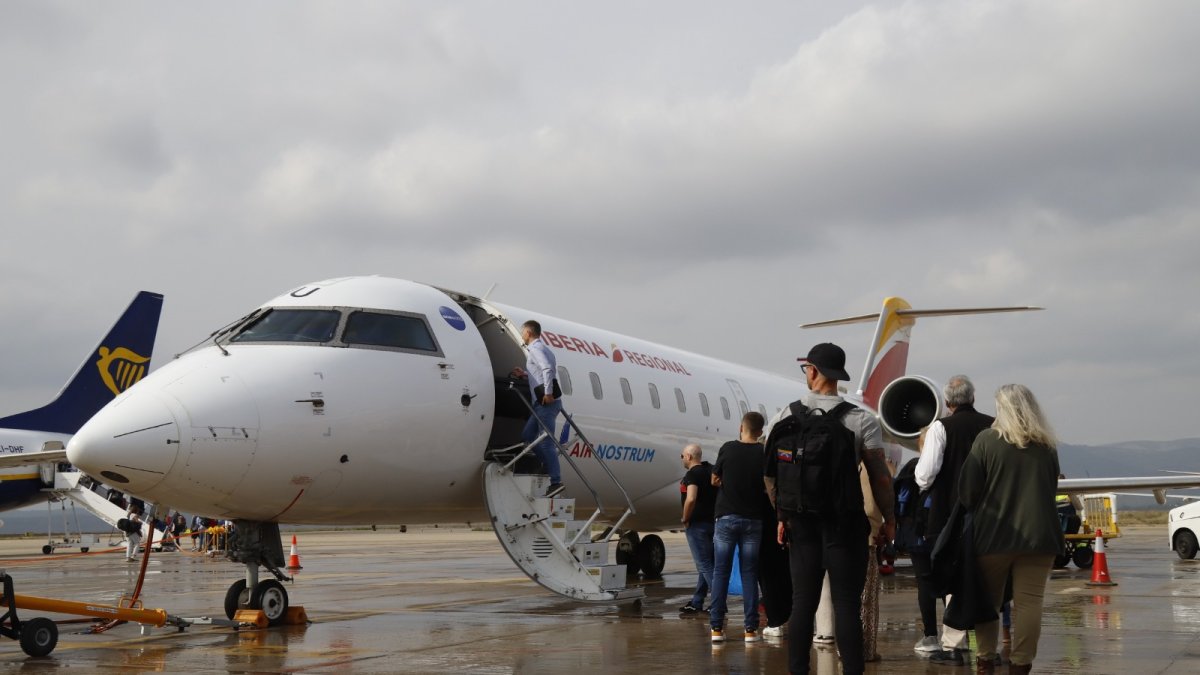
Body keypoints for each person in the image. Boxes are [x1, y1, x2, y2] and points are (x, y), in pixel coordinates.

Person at [765, 343, 894, 675]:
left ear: (813, 371)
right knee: (846, 606)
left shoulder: (786, 415)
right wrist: (890, 518)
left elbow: (769, 473)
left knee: (803, 605)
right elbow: (880, 477)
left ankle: (798, 670)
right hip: (845, 525)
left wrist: (783, 514)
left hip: (802, 524)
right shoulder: (860, 419)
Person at [958, 384, 1062, 675]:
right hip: (1040, 537)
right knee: (1030, 604)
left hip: (993, 537)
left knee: (988, 604)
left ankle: (985, 661)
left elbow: (967, 492)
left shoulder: (986, 441)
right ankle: (1021, 664)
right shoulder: (1047, 446)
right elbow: (1050, 488)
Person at [913, 375, 995, 664]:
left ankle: (953, 645)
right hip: (991, 517)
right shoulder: (994, 424)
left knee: (953, 575)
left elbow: (924, 475)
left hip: (949, 515)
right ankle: (989, 646)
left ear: (947, 403)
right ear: (973, 398)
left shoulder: (941, 428)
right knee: (990, 579)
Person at [709, 411, 768, 644]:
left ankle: (716, 628)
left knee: (720, 572)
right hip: (753, 520)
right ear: (760, 432)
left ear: (740, 427)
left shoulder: (728, 448)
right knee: (749, 574)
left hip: (726, 518)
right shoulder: (763, 453)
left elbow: (714, 479)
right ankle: (750, 629)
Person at [509, 319, 565, 498]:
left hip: (545, 403)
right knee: (528, 436)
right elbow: (541, 373)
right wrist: (525, 375)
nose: (522, 334)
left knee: (546, 442)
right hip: (540, 404)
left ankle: (556, 482)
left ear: (528, 332)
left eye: (522, 331)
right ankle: (547, 466)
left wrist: (548, 393)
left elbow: (547, 369)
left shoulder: (535, 349)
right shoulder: (544, 349)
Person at [679, 443, 718, 614]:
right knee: (707, 563)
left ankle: (718, 602)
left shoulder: (692, 475)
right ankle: (697, 601)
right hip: (712, 523)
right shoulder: (710, 471)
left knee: (704, 565)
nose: (682, 459)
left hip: (697, 525)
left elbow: (691, 498)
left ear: (688, 457)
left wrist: (686, 518)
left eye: (682, 456)